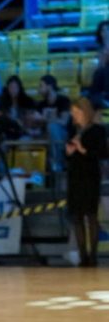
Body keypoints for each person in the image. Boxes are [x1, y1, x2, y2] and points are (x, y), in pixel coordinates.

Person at [65, 97, 107, 267]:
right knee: (77, 216)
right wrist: (69, 152)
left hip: (90, 176)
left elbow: (102, 153)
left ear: (85, 111)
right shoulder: (72, 130)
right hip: (75, 176)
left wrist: (83, 150)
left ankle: (93, 256)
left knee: (91, 215)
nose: (74, 115)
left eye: (77, 112)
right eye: (73, 112)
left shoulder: (97, 130)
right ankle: (83, 256)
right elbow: (68, 156)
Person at [34, 74, 70, 174]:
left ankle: (58, 164)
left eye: (41, 86)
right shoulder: (41, 104)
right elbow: (39, 124)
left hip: (62, 134)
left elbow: (64, 121)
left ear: (49, 86)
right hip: (46, 135)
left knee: (52, 127)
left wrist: (45, 119)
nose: (39, 89)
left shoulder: (63, 100)